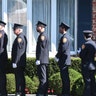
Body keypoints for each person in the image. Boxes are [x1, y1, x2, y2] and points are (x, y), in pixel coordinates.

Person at [55, 22, 71, 96]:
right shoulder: (65, 36)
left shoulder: (65, 37)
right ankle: (65, 92)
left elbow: (63, 49)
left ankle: (66, 93)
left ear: (63, 28)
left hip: (64, 60)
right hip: (64, 60)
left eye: (60, 28)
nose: (59, 29)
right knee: (64, 78)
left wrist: (57, 56)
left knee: (65, 78)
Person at [11, 23, 27, 96]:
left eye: (15, 29)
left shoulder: (20, 38)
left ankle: (19, 91)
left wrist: (15, 62)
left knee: (19, 77)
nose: (14, 31)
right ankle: (21, 92)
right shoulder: (22, 36)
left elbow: (18, 51)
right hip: (21, 62)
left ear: (19, 30)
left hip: (18, 62)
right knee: (20, 77)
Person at [79, 30, 96, 96]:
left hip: (86, 66)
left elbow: (81, 55)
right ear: (91, 36)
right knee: (92, 82)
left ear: (84, 36)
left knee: (87, 82)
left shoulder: (85, 44)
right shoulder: (94, 43)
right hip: (93, 65)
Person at [36, 21, 49, 96]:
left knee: (43, 78)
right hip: (43, 60)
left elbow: (41, 48)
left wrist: (38, 59)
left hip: (42, 60)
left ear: (41, 27)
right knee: (44, 77)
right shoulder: (42, 35)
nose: (36, 28)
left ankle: (41, 93)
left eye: (37, 26)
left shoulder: (42, 36)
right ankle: (44, 93)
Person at [0, 20, 8, 96]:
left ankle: (3, 92)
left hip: (1, 57)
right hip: (2, 57)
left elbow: (1, 46)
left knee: (1, 75)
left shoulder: (1, 34)